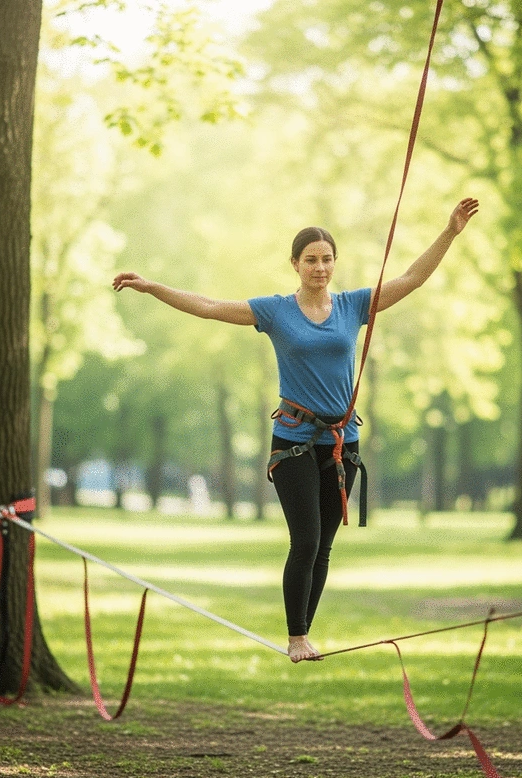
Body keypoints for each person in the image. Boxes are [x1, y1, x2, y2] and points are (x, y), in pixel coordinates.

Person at [112, 197, 479, 662]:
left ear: (334, 263)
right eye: (311, 260)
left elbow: (410, 279)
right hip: (294, 441)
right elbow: (207, 306)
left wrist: (449, 231)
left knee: (324, 545)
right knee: (304, 539)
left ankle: (305, 633)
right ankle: (296, 637)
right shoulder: (275, 311)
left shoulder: (354, 305)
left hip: (342, 442)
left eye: (327, 259)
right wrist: (151, 287)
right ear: (295, 264)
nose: (320, 267)